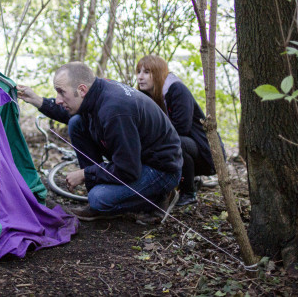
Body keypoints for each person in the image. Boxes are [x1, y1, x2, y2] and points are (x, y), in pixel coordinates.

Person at [18, 62, 183, 221]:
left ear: (82, 90)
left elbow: (128, 169)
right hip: (136, 160)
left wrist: (85, 174)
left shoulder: (114, 111)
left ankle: (159, 197)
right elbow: (67, 113)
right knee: (76, 123)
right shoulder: (96, 91)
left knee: (99, 198)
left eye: (61, 92)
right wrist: (35, 99)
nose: (58, 99)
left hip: (160, 170)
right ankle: (98, 196)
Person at [136, 55, 225, 206]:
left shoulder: (177, 89)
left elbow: (182, 128)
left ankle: (189, 192)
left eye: (146, 72)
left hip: (206, 153)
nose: (140, 77)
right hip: (184, 150)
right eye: (138, 72)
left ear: (158, 73)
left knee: (175, 143)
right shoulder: (145, 96)